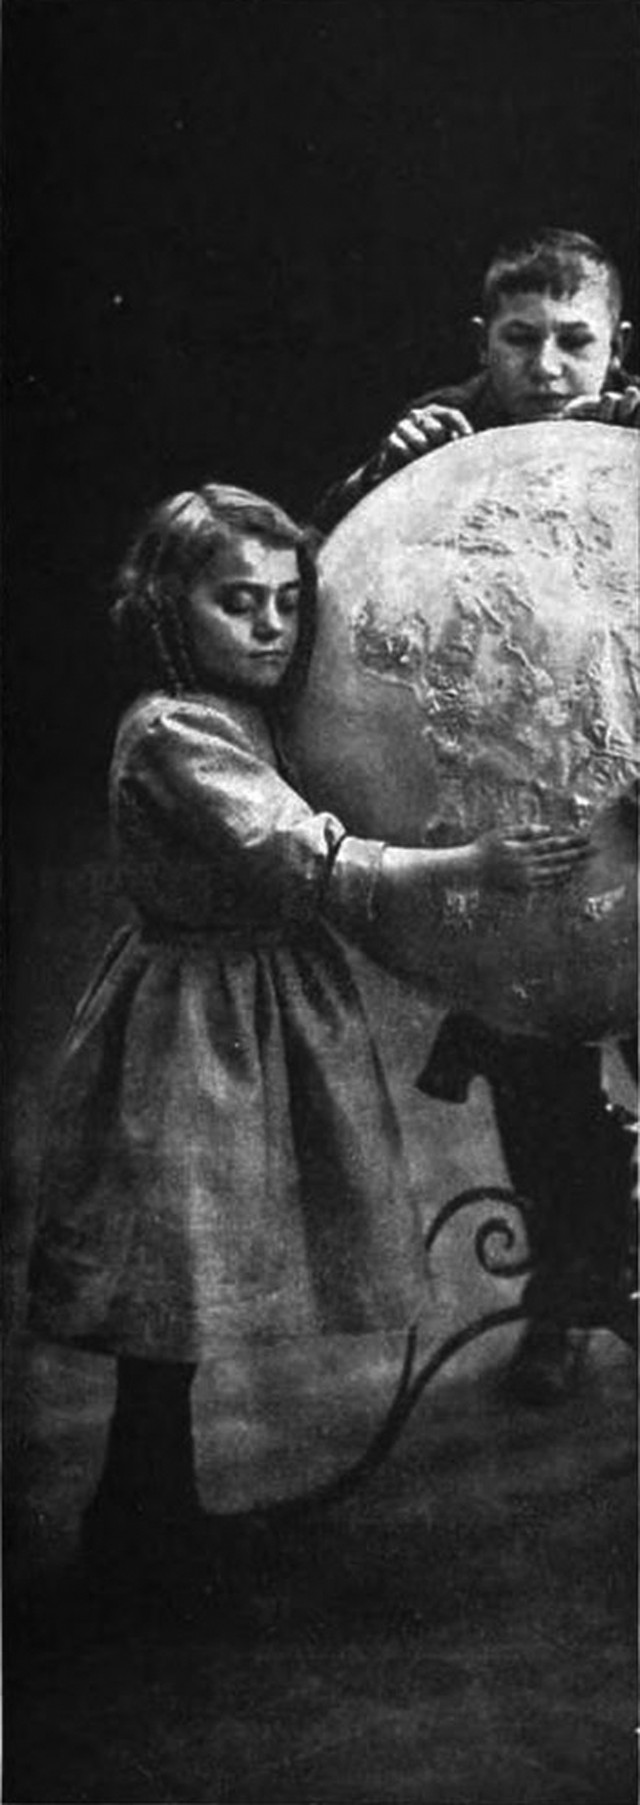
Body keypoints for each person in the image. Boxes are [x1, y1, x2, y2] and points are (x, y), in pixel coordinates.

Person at [26, 482, 590, 1614]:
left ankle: (153, 1508)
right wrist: (471, 867)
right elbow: (308, 856)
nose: (272, 627)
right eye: (238, 602)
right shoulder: (174, 731)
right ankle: (135, 1525)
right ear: (164, 604)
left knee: (198, 1274)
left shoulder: (250, 710)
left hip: (261, 998)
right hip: (195, 1021)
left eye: (289, 601)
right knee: (174, 1274)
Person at [314, 228, 639, 1407]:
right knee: (540, 1089)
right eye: (519, 338)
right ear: (481, 340)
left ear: (617, 344)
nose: (547, 366)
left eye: (574, 341)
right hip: (511, 837)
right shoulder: (437, 447)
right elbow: (326, 588)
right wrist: (373, 478)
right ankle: (565, 1294)